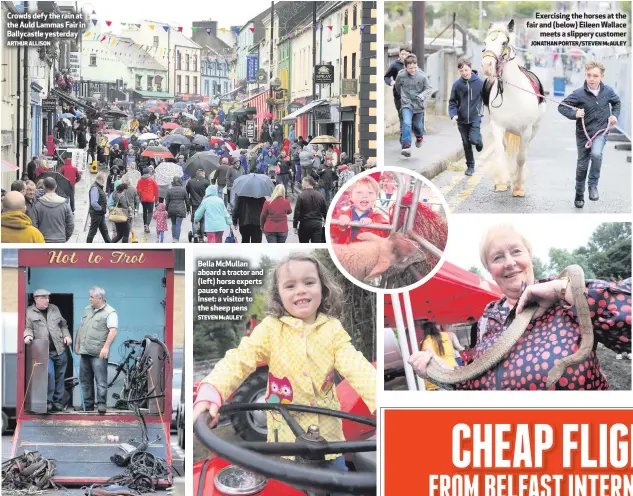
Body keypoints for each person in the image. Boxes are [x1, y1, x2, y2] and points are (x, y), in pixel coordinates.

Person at [192, 252, 376, 472]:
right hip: (285, 441)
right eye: (290, 286)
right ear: (278, 295)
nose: (301, 290)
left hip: (328, 439)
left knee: (341, 483)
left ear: (323, 287)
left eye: (309, 282)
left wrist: (383, 403)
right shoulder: (270, 329)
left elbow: (357, 368)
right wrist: (213, 389)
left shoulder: (332, 329)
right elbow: (240, 359)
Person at [408, 224, 631, 390]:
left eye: (516, 251)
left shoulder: (565, 298)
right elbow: (475, 384)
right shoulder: (489, 317)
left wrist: (563, 290)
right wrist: (439, 371)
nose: (509, 262)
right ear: (489, 268)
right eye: (497, 257)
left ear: (529, 255)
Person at [558, 60, 621, 208]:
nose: (591, 79)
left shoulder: (608, 92)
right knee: (582, 165)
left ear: (602, 77)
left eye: (595, 75)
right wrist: (575, 113)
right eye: (589, 75)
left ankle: (593, 185)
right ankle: (579, 194)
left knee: (597, 154)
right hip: (583, 134)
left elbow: (617, 103)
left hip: (600, 132)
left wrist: (614, 116)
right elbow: (562, 107)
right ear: (585, 76)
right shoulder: (578, 94)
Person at [25, 289, 72, 413]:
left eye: (48, 297)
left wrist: (67, 335)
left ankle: (58, 401)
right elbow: (28, 328)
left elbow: (63, 324)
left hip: (60, 348)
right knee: (49, 375)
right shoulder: (29, 312)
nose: (47, 300)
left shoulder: (54, 308)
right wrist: (27, 336)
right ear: (36, 299)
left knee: (60, 376)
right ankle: (49, 401)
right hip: (44, 351)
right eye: (44, 298)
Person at [74, 287, 117, 414]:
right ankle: (87, 405)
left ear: (100, 298)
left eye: (92, 297)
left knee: (101, 381)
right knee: (85, 380)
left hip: (99, 353)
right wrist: (77, 344)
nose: (89, 299)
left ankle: (102, 405)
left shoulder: (110, 312)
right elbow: (81, 327)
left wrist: (106, 347)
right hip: (85, 351)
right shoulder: (87, 310)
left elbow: (113, 331)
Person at [448, 58, 485, 176]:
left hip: (475, 117)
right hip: (462, 120)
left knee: (473, 139)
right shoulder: (457, 84)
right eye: (461, 70)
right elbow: (452, 102)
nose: (464, 72)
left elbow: (487, 98)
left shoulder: (480, 83)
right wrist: (453, 115)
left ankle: (479, 141)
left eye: (466, 70)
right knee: (466, 143)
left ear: (470, 68)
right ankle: (470, 166)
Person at [330, 175, 389, 244]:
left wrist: (371, 225)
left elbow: (385, 235)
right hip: (345, 251)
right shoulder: (343, 213)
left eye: (370, 193)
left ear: (375, 197)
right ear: (350, 196)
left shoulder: (378, 217)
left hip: (365, 253)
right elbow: (332, 233)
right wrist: (340, 226)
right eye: (359, 192)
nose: (365, 196)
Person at [395, 54, 433, 157]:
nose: (413, 70)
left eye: (415, 67)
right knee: (406, 123)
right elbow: (397, 87)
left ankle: (420, 137)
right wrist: (403, 97)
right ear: (405, 67)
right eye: (410, 68)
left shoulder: (422, 76)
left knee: (418, 126)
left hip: (419, 105)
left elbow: (429, 88)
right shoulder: (401, 75)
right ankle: (406, 146)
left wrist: (421, 96)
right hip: (407, 104)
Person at [31, 177, 73, 243]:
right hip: (60, 239)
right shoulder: (64, 204)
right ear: (56, 187)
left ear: (43, 187)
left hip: (42, 240)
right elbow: (70, 224)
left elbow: (34, 224)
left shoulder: (37, 205)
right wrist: (65, 236)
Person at [419, 322, 459, 391]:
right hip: (452, 371)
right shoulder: (446, 337)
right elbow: (452, 352)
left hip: (438, 376)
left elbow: (429, 358)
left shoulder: (427, 341)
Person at [384, 46, 411, 139]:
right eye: (402, 54)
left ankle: (406, 134)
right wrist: (391, 82)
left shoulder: (412, 64)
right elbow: (386, 76)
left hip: (410, 96)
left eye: (406, 54)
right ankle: (403, 136)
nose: (404, 56)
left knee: (409, 117)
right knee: (402, 115)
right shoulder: (395, 65)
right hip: (398, 95)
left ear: (409, 55)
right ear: (399, 54)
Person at [293, 177, 327, 243]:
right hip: (317, 223)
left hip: (305, 223)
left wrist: (295, 225)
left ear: (307, 183)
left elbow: (297, 212)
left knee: (303, 243)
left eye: (303, 182)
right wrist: (326, 220)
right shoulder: (320, 195)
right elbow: (324, 210)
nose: (302, 184)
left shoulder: (301, 195)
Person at [87, 172, 111, 243]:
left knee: (104, 231)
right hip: (96, 214)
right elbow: (94, 202)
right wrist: (101, 209)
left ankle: (110, 246)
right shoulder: (95, 188)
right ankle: (87, 247)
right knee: (93, 231)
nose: (104, 181)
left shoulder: (98, 187)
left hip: (100, 214)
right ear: (102, 179)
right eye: (104, 179)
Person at [165, 175, 190, 242]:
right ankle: (176, 239)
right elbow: (187, 200)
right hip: (180, 209)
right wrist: (188, 209)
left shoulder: (169, 190)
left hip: (171, 209)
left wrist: (166, 210)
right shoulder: (183, 189)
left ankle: (173, 238)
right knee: (178, 224)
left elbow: (167, 202)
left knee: (173, 224)